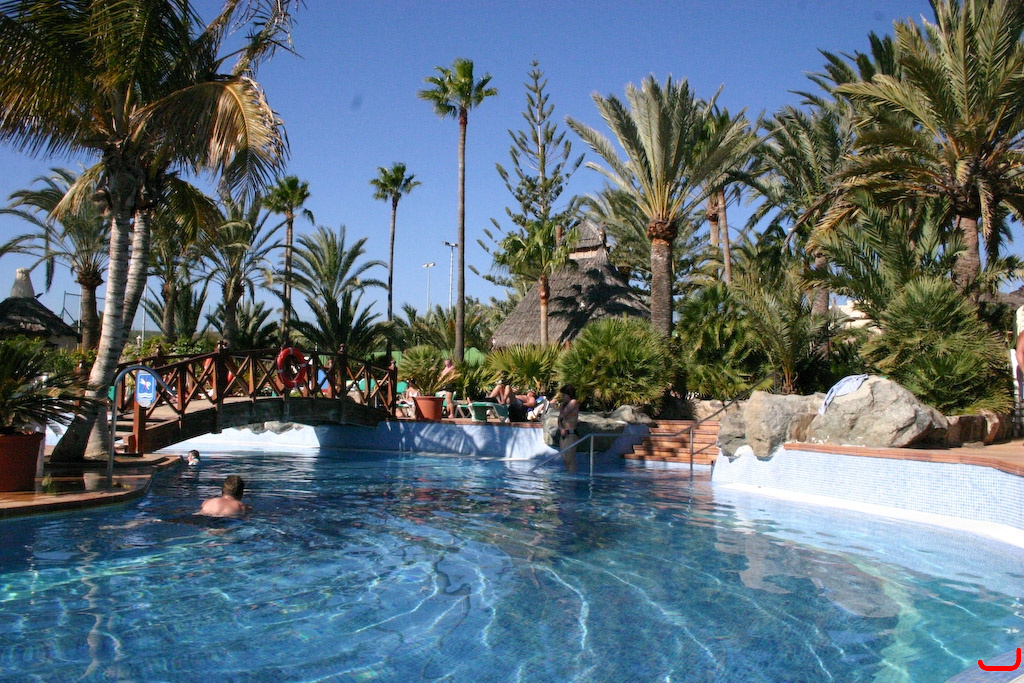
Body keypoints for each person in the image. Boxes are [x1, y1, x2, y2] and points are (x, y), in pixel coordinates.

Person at [557, 384, 580, 473]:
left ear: (568, 395)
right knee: (565, 459)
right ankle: (568, 475)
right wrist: (561, 429)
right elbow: (559, 419)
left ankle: (572, 477)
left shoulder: (573, 402)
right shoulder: (565, 404)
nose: (563, 397)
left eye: (564, 395)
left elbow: (563, 414)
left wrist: (563, 405)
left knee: (570, 459)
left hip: (571, 433)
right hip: (564, 433)